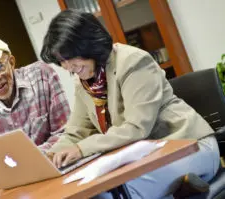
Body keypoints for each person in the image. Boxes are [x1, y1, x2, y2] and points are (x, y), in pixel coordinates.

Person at [40, 10, 220, 199]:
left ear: (88, 44)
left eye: (70, 58)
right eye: (62, 61)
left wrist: (81, 149)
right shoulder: (83, 80)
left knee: (113, 194)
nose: (68, 67)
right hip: (144, 159)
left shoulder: (133, 62)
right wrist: (49, 158)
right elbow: (77, 131)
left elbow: (136, 128)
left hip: (187, 147)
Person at [0, 36, 70, 196]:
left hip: (55, 171)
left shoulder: (42, 75)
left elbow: (65, 133)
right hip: (14, 187)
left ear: (11, 62)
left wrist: (23, 160)